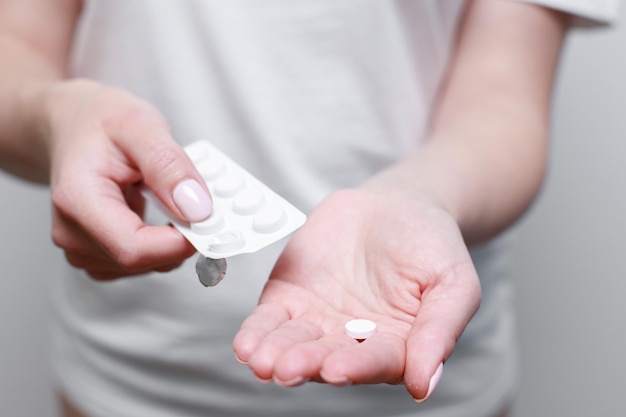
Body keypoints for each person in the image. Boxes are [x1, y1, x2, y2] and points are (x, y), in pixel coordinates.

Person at [0, 1, 618, 416]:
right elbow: (15, 50)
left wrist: (418, 195)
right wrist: (61, 118)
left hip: (431, 380)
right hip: (129, 383)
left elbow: (503, 102)